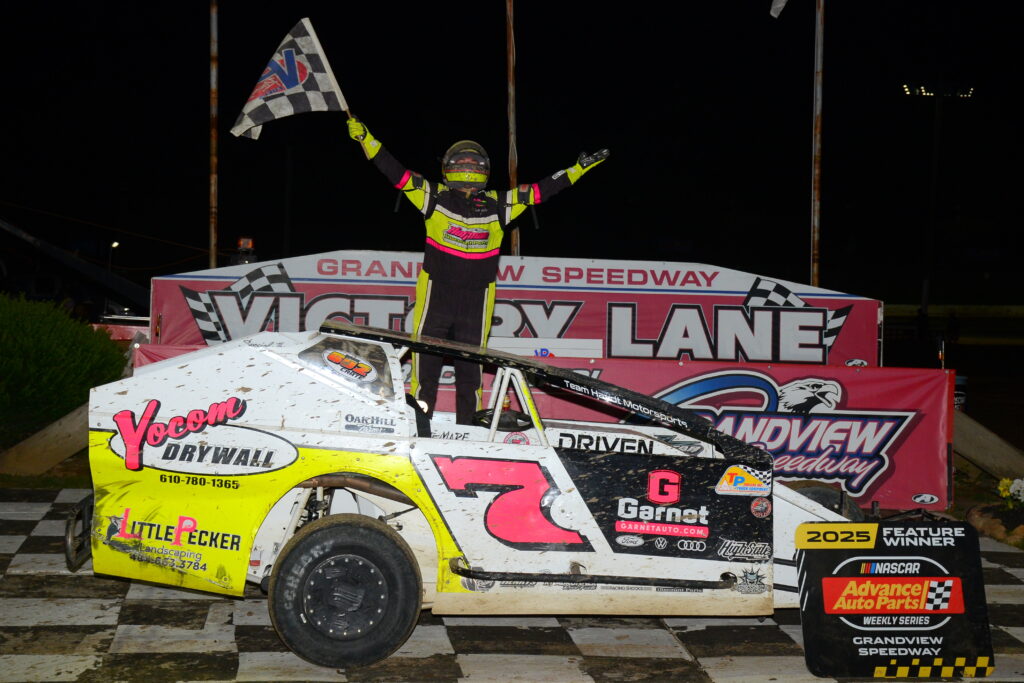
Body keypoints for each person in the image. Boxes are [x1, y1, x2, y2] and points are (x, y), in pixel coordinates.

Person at [347, 116, 608, 425]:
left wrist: (577, 169)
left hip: (478, 298)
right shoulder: (434, 195)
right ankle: (418, 427)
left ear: (484, 168)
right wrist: (367, 139)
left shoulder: (500, 203)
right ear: (449, 166)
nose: (468, 164)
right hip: (436, 294)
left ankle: (469, 431)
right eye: (463, 160)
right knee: (425, 367)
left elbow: (541, 191)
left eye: (474, 161)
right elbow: (397, 173)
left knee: (470, 372)